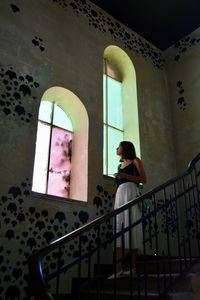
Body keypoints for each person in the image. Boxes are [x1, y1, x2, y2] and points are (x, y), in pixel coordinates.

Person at [110, 141, 146, 279]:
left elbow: (143, 179)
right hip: (120, 196)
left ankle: (132, 268)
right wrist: (114, 206)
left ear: (125, 148)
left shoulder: (136, 161)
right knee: (119, 230)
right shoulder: (119, 166)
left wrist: (125, 176)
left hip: (131, 193)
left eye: (118, 146)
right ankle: (118, 270)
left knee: (133, 227)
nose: (117, 148)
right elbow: (117, 187)